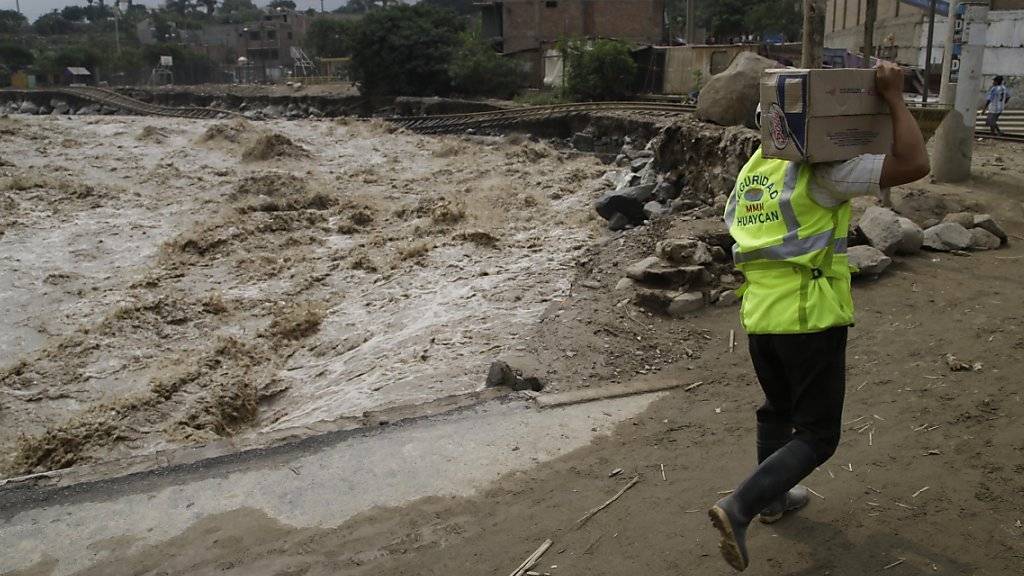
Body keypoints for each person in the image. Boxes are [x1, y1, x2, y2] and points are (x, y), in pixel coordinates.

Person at [708, 62, 930, 572]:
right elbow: (914, 162)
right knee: (817, 435)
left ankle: (774, 500)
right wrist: (894, 98)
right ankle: (739, 507)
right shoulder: (826, 174)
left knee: (775, 412)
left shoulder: (755, 169)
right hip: (810, 318)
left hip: (761, 317)